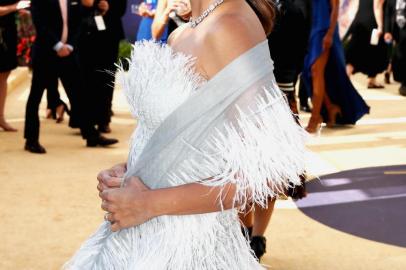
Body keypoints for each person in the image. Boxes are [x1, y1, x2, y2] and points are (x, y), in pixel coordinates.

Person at [63, 0, 309, 268]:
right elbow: (177, 139)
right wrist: (131, 170)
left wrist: (149, 203)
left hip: (188, 247)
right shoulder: (184, 31)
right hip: (142, 238)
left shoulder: (229, 26)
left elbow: (273, 172)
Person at [24, 0, 118, 153]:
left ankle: (91, 136)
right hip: (46, 53)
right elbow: (40, 23)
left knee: (79, 94)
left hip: (68, 52)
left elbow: (78, 22)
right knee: (36, 95)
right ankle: (31, 140)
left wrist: (70, 45)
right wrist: (57, 45)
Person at [302, 0, 370, 133]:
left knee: (316, 72)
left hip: (324, 29)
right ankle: (330, 107)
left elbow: (335, 7)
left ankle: (315, 117)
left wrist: (330, 33)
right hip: (312, 29)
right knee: (309, 73)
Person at [79, 0, 127, 134]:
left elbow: (121, 8)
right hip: (87, 33)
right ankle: (86, 120)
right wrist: (94, 5)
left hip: (110, 35)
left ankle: (103, 120)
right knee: (87, 77)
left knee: (107, 77)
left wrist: (108, 7)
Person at [0, 0, 30, 132]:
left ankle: (0, 117)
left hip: (8, 33)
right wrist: (14, 7)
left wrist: (19, 10)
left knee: (4, 75)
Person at [346, 0, 389, 88]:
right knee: (375, 51)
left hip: (358, 19)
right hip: (371, 21)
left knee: (356, 50)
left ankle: (370, 80)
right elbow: (377, 6)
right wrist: (380, 26)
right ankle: (346, 79)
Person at [385, 0, 406, 95]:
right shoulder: (391, 1)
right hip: (397, 31)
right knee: (400, 57)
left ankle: (404, 85)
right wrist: (387, 31)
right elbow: (388, 15)